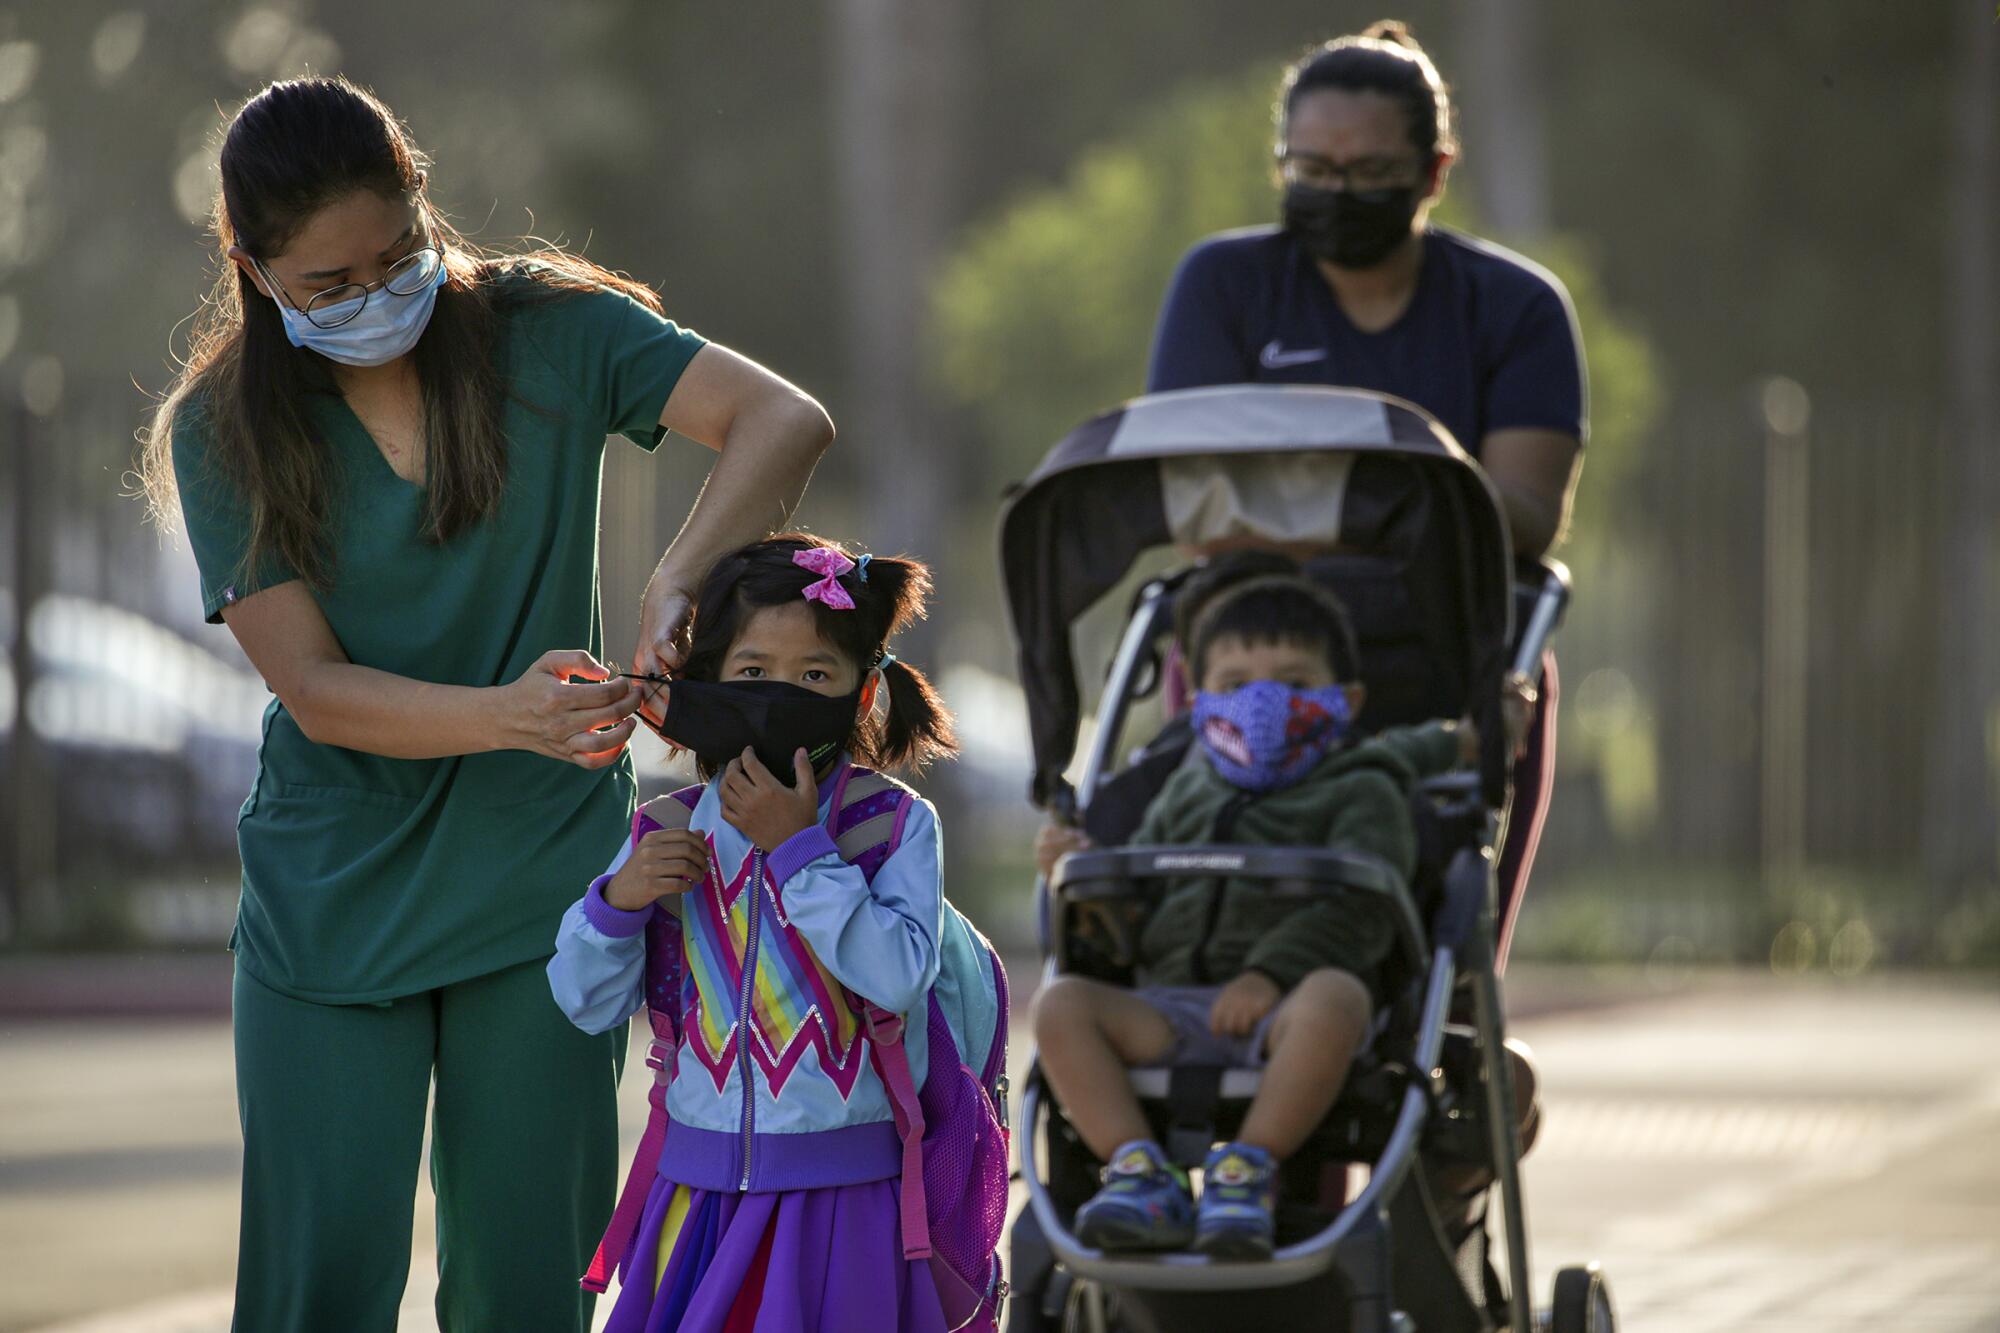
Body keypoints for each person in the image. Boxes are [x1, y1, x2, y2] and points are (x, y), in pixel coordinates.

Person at [138, 78, 833, 1332]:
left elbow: (783, 420)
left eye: (396, 256)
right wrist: (513, 716)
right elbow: (313, 688)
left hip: (547, 898)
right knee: (314, 1295)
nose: (374, 299)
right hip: (331, 903)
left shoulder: (554, 333)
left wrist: (681, 572)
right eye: (328, 287)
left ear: (420, 192)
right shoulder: (222, 430)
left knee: (527, 1289)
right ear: (250, 268)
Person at [1144, 20, 1584, 968]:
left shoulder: (1516, 308)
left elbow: (1526, 516)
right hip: (1249, 649)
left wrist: (1293, 496)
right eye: (1313, 169)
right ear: (1282, 166)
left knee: (1448, 971)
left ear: (1433, 172)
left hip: (1460, 657)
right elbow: (1196, 504)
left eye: (1371, 173)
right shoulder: (1224, 284)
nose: (1338, 194)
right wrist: (1411, 498)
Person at [548, 536, 961, 1331]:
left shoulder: (894, 826)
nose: (780, 694)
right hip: (695, 1192)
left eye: (814, 675)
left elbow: (901, 973)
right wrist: (619, 900)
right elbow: (583, 1001)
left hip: (843, 1199)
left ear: (863, 691)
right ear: (708, 683)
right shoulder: (662, 829)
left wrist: (802, 847)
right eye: (751, 673)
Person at [1030, 575, 1465, 1260]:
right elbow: (1134, 907)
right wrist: (1084, 875)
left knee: (1337, 996)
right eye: (1236, 683)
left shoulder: (1366, 787)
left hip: (1284, 1014)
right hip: (1167, 1008)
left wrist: (1270, 975)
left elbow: (1361, 913)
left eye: (1294, 680)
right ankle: (1140, 1169)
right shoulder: (1187, 783)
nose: (1266, 702)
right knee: (1059, 1005)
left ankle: (1247, 1168)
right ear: (1200, 706)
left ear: (1345, 701)